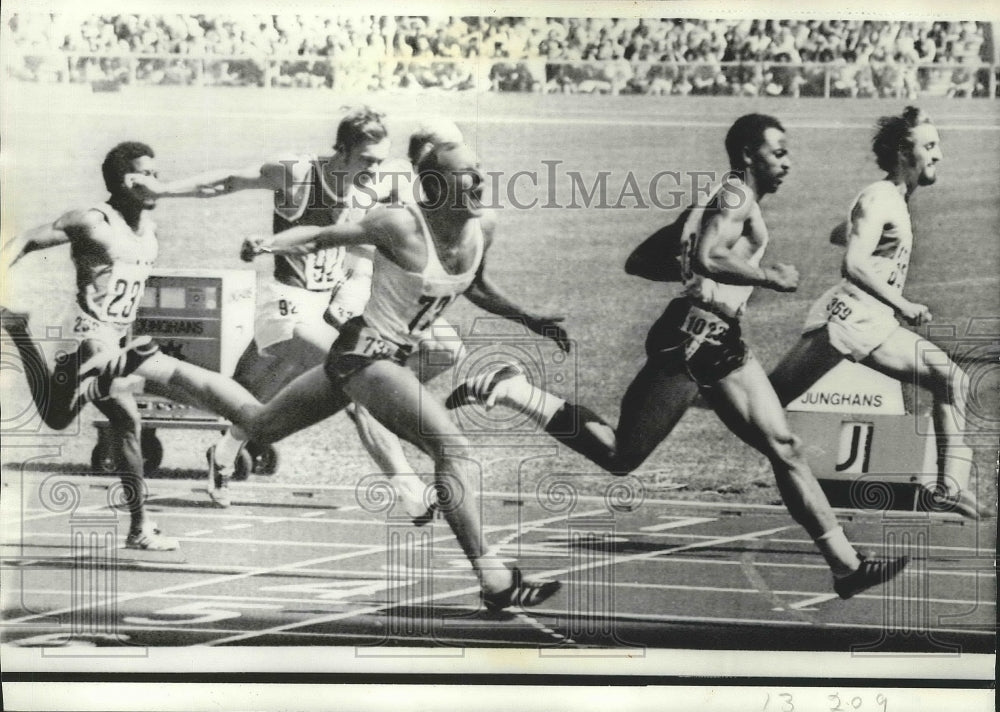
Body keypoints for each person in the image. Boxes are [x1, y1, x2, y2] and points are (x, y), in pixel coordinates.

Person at [448, 115, 909, 600]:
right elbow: (710, 256)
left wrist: (694, 268)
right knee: (620, 455)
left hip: (720, 338)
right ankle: (514, 390)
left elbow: (643, 260)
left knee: (785, 446)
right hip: (692, 341)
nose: (787, 162)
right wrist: (765, 275)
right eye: (778, 153)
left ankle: (846, 567)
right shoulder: (736, 197)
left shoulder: (709, 201)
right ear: (749, 155)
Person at [234, 142, 568, 610]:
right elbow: (321, 236)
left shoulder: (482, 226)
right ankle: (495, 580)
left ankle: (162, 374)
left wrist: (530, 317)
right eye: (466, 174)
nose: (481, 180)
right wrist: (268, 243)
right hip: (365, 356)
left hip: (373, 360)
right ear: (434, 186)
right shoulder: (400, 224)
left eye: (480, 170)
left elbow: (476, 285)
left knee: (258, 425)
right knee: (452, 448)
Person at [144, 108, 456, 516]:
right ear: (341, 151)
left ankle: (226, 447)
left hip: (329, 306)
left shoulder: (378, 184)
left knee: (442, 349)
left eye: (381, 161)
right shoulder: (297, 174)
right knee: (360, 380)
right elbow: (228, 180)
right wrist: (165, 191)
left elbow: (373, 240)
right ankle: (409, 490)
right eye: (366, 160)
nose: (374, 170)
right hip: (285, 307)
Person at [0, 142, 263, 550]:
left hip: (120, 341)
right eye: (150, 174)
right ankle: (112, 364)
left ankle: (142, 526)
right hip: (88, 340)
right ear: (128, 180)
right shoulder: (94, 221)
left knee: (96, 419)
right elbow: (27, 240)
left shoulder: (149, 230)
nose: (158, 181)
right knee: (100, 414)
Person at [768, 106, 982, 518]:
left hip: (871, 322)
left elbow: (845, 235)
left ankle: (949, 487)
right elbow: (853, 263)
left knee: (950, 380)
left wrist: (857, 231)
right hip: (848, 321)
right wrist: (903, 303)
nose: (938, 155)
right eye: (930, 146)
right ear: (905, 152)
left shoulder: (890, 198)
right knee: (764, 402)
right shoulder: (880, 198)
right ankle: (687, 392)